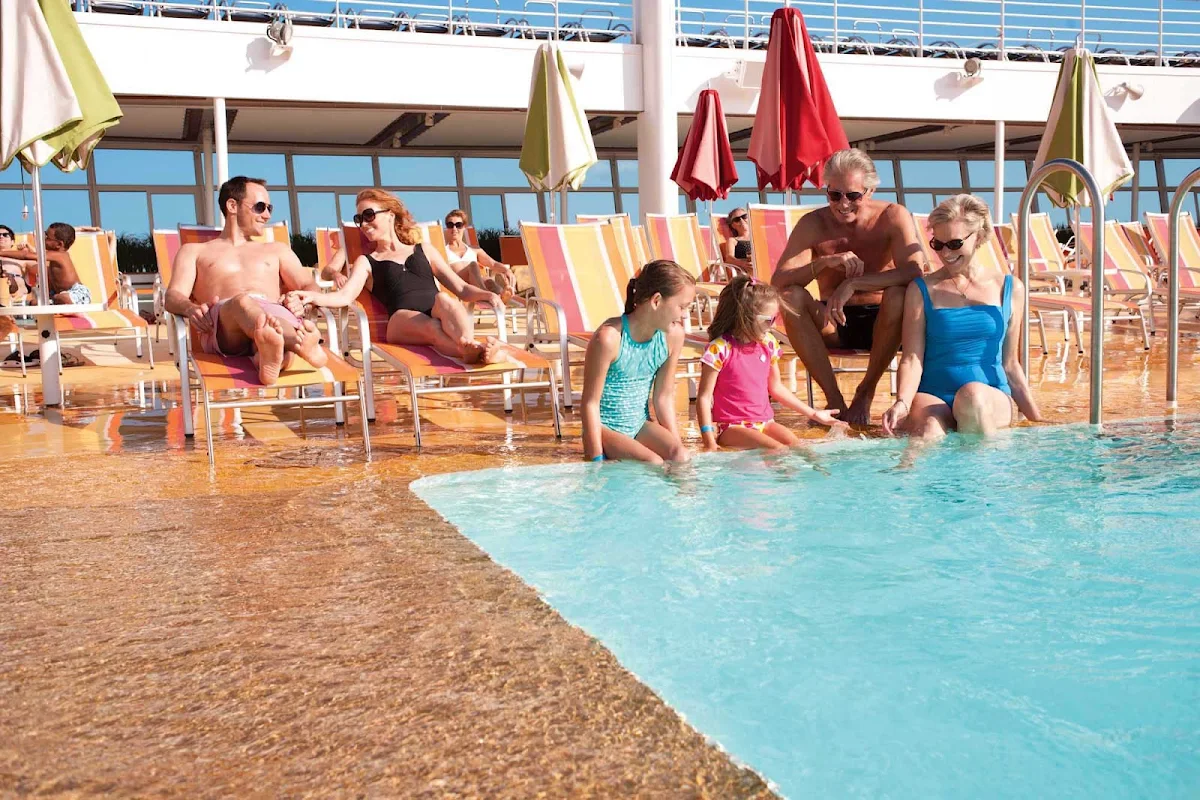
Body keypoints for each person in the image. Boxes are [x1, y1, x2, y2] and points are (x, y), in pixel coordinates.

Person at [772, 148, 926, 427]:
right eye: (834, 195)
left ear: (869, 190)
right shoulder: (814, 224)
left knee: (899, 292)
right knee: (790, 298)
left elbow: (915, 271)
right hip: (834, 322)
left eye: (853, 195)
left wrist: (854, 283)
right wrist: (823, 264)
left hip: (888, 322)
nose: (843, 204)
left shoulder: (892, 216)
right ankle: (834, 401)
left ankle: (865, 393)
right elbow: (779, 280)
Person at [286, 189, 512, 364]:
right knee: (432, 327)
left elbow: (461, 289)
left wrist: (488, 295)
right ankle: (476, 351)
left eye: (369, 215)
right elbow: (344, 297)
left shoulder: (425, 249)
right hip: (400, 321)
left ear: (390, 215)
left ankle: (471, 347)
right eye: (359, 219)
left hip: (435, 309)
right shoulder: (367, 261)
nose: (363, 224)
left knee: (446, 301)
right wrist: (309, 296)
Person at [881, 194, 1041, 439]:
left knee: (972, 396)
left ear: (978, 236)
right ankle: (905, 477)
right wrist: (902, 402)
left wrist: (1038, 420)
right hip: (934, 395)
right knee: (928, 433)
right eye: (938, 244)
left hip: (989, 395)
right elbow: (912, 358)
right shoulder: (922, 289)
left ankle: (986, 477)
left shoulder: (1010, 288)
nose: (945, 253)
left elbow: (1010, 363)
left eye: (954, 244)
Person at [165, 176, 327, 386]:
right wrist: (189, 308)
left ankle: (269, 357)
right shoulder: (195, 251)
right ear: (232, 205)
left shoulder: (277, 250)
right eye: (260, 207)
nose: (267, 215)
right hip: (225, 324)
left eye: (270, 208)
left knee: (273, 338)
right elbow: (172, 296)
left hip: (272, 314)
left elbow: (309, 285)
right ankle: (300, 343)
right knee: (242, 302)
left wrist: (303, 298)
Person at [696, 276, 842, 451]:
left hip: (765, 423)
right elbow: (704, 397)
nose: (772, 326)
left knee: (800, 448)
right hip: (732, 427)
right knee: (777, 450)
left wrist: (814, 413)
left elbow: (776, 388)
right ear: (744, 317)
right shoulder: (720, 349)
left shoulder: (768, 344)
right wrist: (708, 440)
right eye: (768, 320)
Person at [581, 259, 696, 465]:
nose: (685, 315)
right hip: (606, 428)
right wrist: (596, 459)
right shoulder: (610, 338)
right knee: (652, 462)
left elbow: (663, 397)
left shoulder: (672, 336)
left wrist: (676, 447)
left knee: (682, 457)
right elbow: (590, 403)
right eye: (682, 307)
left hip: (639, 425)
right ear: (656, 301)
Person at [0, 222, 90, 305]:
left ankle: (55, 301)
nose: (43, 238)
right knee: (34, 302)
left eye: (47, 236)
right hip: (57, 293)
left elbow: (26, 255)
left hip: (77, 293)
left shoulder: (60, 255)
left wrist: (1, 253)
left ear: (59, 244)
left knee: (63, 297)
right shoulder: (52, 257)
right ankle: (54, 301)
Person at [443, 209, 516, 297]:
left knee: (489, 281)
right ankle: (486, 295)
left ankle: (502, 296)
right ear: (447, 228)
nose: (454, 229)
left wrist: (506, 270)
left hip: (476, 285)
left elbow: (492, 263)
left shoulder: (474, 250)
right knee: (473, 265)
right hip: (458, 287)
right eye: (450, 225)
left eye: (458, 225)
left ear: (464, 227)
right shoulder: (442, 251)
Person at [719, 207, 753, 273]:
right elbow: (729, 258)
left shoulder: (758, 237)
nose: (741, 220)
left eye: (744, 216)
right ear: (733, 225)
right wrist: (743, 263)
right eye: (737, 219)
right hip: (747, 272)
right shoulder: (733, 240)